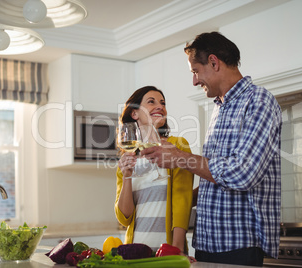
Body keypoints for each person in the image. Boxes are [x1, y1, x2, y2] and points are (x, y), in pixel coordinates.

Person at [141, 32, 282, 266]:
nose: (194, 81)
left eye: (195, 71)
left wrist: (179, 158)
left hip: (238, 245)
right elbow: (216, 180)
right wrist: (179, 197)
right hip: (206, 244)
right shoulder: (219, 107)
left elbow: (242, 173)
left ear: (214, 62)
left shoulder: (258, 101)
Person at [114, 86, 195, 259]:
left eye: (163, 103)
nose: (160, 106)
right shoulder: (127, 159)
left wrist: (177, 250)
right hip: (134, 254)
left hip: (166, 253)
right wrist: (127, 176)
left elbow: (182, 199)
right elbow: (124, 217)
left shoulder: (177, 146)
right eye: (151, 102)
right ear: (134, 114)